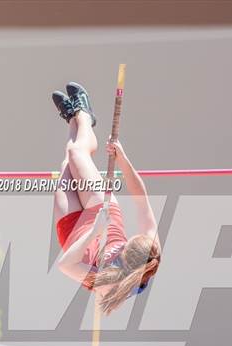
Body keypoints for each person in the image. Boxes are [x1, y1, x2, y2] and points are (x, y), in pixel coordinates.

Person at [52, 82, 161, 314]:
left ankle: (73, 119)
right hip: (103, 212)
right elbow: (141, 198)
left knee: (66, 164)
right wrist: (122, 158)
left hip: (75, 238)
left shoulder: (111, 284)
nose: (123, 245)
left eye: (123, 250)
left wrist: (93, 232)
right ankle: (84, 115)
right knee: (76, 154)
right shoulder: (152, 249)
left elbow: (66, 265)